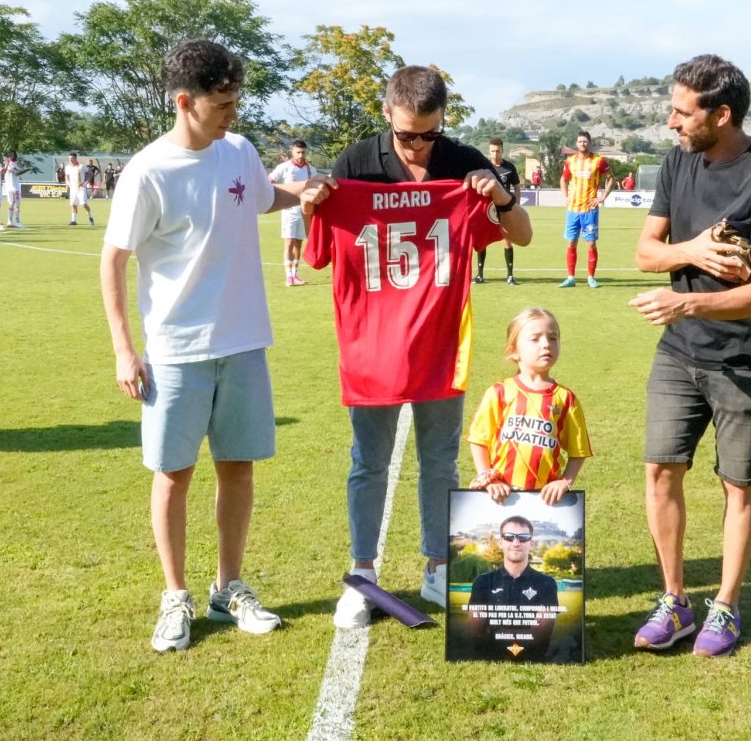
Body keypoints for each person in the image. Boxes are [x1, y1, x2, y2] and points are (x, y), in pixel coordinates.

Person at [100, 39, 334, 653]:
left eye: (237, 101)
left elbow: (263, 198)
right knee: (173, 475)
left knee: (238, 467)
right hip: (176, 350)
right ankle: (174, 596)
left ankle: (229, 587)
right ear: (185, 101)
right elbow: (113, 261)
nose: (234, 114)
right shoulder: (147, 171)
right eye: (224, 103)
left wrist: (303, 196)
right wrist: (126, 350)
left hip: (245, 342)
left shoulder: (240, 151)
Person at [316, 65, 532, 629]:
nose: (419, 146)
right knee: (369, 462)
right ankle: (362, 575)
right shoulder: (356, 164)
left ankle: (439, 565)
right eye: (409, 134)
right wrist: (315, 204)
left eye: (430, 135)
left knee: (440, 460)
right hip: (373, 347)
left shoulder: (462, 164)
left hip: (440, 341)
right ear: (387, 113)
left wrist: (502, 199)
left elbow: (522, 235)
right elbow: (318, 254)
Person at [629, 53, 751, 658]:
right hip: (679, 352)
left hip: (743, 360)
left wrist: (689, 305)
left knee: (737, 483)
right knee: (660, 470)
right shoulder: (679, 161)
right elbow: (647, 254)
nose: (671, 123)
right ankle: (674, 601)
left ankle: (723, 607)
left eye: (682, 112)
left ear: (721, 114)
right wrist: (695, 252)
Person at [467, 307, 591, 504]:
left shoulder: (566, 399)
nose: (546, 345)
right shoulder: (499, 392)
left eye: (553, 338)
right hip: (501, 495)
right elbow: (478, 440)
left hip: (544, 501)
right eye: (535, 339)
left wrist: (564, 482)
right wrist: (487, 478)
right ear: (513, 351)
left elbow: (579, 451)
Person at [465, 515, 559, 661]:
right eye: (509, 537)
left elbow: (542, 634)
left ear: (531, 543)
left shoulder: (547, 583)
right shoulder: (483, 581)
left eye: (523, 537)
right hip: (489, 662)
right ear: (501, 542)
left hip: (533, 660)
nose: (516, 542)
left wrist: (498, 633)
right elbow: (475, 632)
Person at [559, 130, 614, 288]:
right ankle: (571, 277)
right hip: (573, 209)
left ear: (589, 143)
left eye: (585, 141)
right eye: (580, 141)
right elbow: (563, 179)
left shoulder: (598, 160)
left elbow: (611, 179)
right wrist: (565, 196)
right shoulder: (570, 161)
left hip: (590, 210)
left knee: (590, 244)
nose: (582, 144)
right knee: (571, 243)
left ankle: (591, 277)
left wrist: (602, 197)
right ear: (576, 144)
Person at [472, 138, 521, 285]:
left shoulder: (509, 167)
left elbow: (517, 187)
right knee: (482, 242)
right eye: (492, 151)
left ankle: (510, 275)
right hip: (486, 211)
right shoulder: (483, 167)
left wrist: (516, 205)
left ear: (502, 151)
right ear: (489, 151)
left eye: (497, 151)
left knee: (507, 241)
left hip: (503, 210)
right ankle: (480, 275)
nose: (495, 154)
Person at [268, 139, 317, 286]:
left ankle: (295, 274)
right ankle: (288, 276)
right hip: (289, 211)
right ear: (293, 152)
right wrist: (282, 200)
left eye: (303, 152)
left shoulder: (311, 170)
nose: (301, 155)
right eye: (298, 152)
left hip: (304, 211)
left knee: (298, 243)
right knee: (288, 242)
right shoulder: (284, 167)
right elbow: (268, 181)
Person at [64, 154, 95, 227]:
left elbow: (90, 173)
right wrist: (68, 183)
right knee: (74, 204)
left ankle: (90, 216)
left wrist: (86, 182)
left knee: (84, 204)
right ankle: (73, 220)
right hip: (73, 188)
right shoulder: (67, 167)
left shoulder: (81, 166)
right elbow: (67, 176)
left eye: (72, 158)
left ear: (75, 159)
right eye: (69, 159)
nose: (70, 160)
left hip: (81, 188)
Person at [3, 150, 24, 228]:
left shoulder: (16, 163)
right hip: (10, 187)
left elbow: (19, 169)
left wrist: (23, 166)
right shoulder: (8, 163)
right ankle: (10, 221)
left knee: (18, 204)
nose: (15, 157)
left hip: (17, 187)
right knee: (11, 203)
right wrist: (27, 169)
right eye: (14, 155)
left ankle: (17, 221)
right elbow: (17, 172)